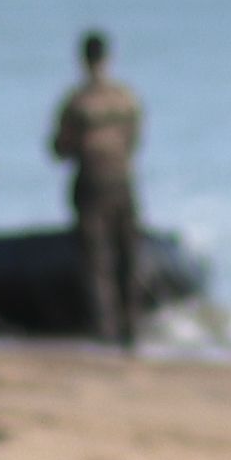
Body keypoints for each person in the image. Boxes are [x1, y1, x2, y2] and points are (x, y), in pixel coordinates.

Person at [48, 29, 145, 349]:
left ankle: (105, 329)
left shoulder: (77, 101)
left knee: (96, 260)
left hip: (91, 182)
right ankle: (131, 328)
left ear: (82, 60)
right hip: (122, 181)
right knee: (127, 256)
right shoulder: (126, 98)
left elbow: (60, 148)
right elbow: (134, 140)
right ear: (108, 57)